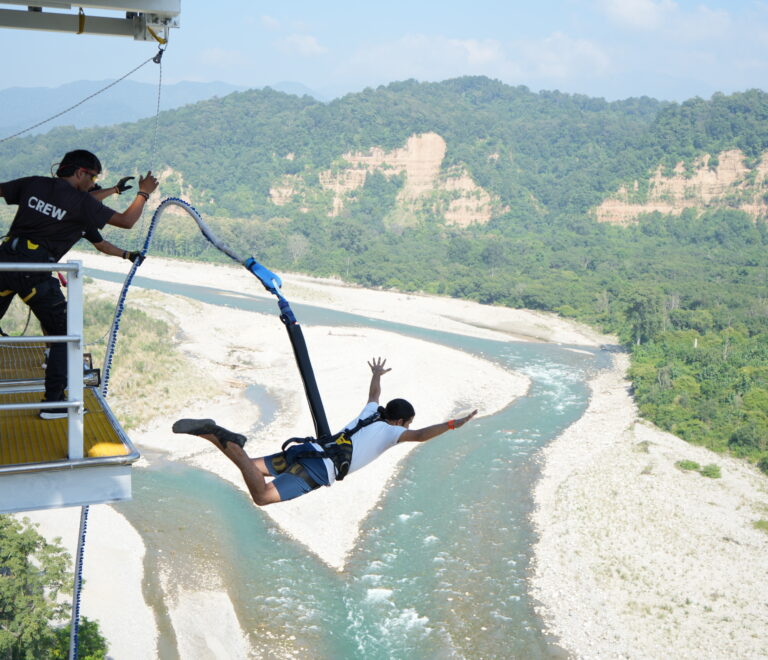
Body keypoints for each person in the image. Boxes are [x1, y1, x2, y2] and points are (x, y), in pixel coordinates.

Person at [172, 357, 478, 506]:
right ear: (400, 422)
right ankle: (230, 440)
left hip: (307, 450)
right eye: (407, 423)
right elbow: (422, 435)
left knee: (247, 467)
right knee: (262, 497)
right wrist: (453, 424)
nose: (408, 428)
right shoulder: (390, 432)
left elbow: (374, 394)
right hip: (318, 469)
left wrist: (375, 374)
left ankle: (211, 433)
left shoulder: (372, 412)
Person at [0, 149, 159, 419]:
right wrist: (143, 193)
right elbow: (126, 221)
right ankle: (54, 404)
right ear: (80, 173)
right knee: (64, 335)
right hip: (34, 272)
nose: (92, 183)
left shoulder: (35, 183)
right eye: (93, 177)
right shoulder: (81, 206)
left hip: (5, 261)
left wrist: (124, 251)